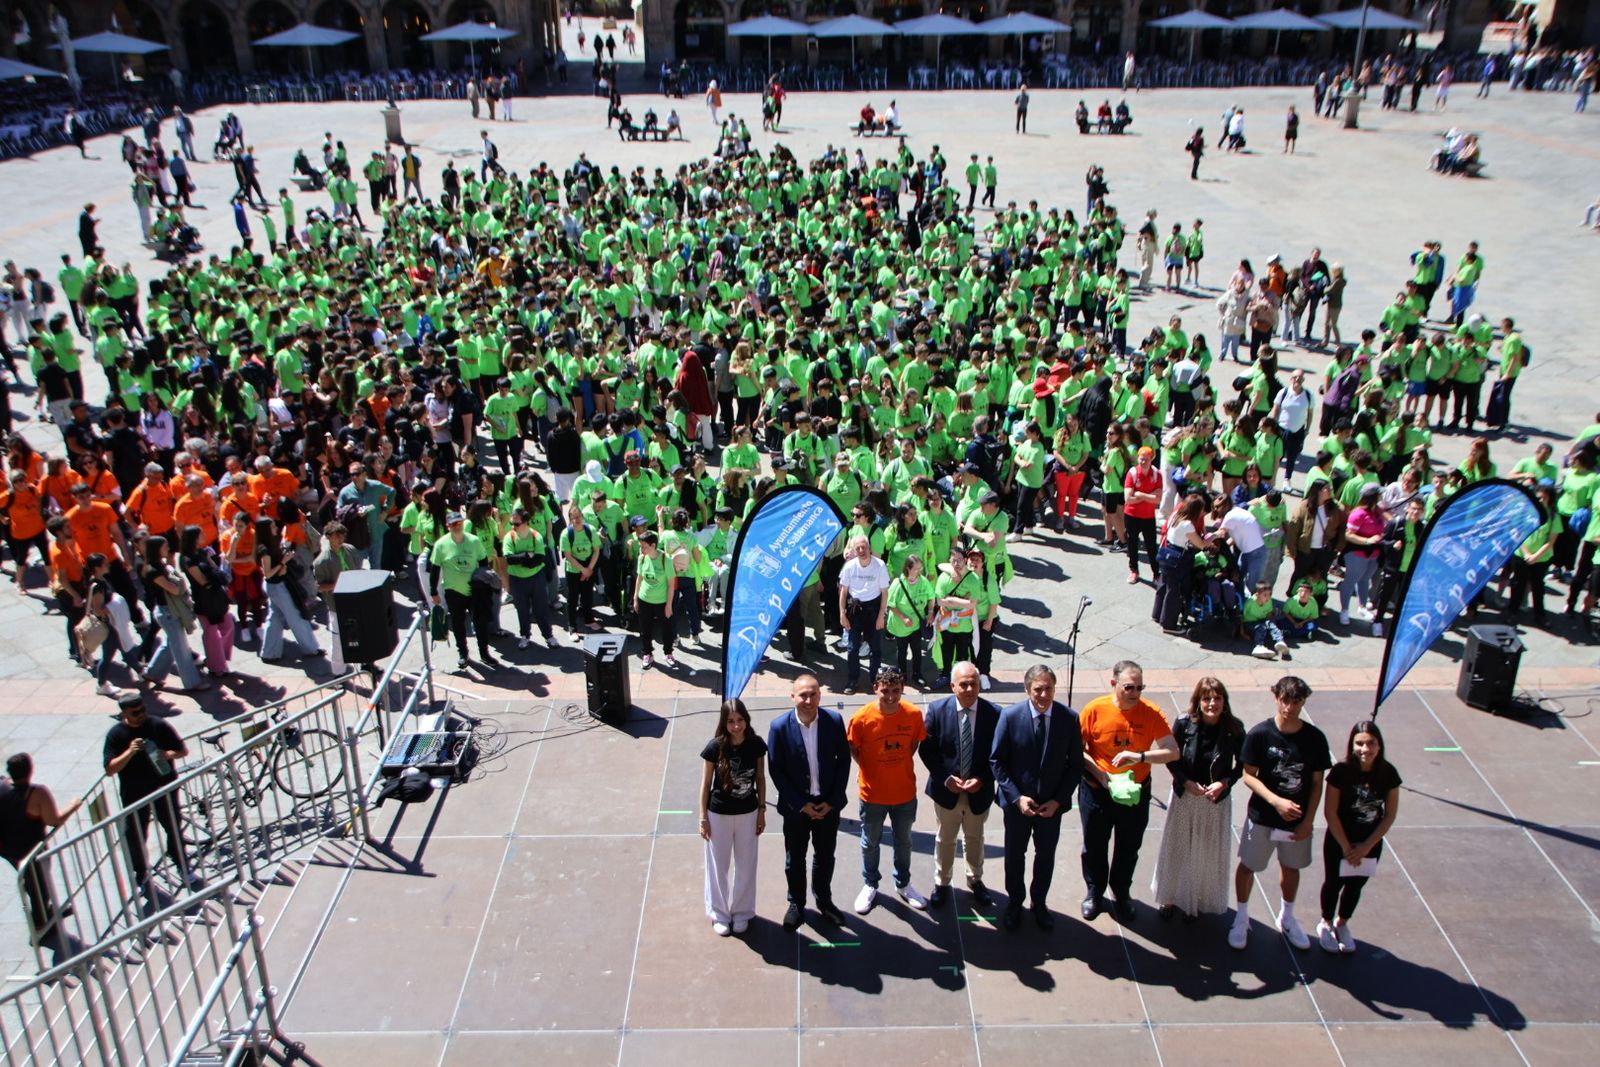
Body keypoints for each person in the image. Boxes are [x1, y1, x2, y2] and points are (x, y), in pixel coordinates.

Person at [1229, 675, 1332, 951]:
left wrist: (1308, 820)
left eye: (1296, 701)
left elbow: (1316, 782)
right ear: (1276, 697)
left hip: (1296, 822)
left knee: (1291, 867)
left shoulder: (1314, 738)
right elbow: (1248, 776)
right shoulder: (1260, 735)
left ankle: (1287, 916)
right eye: (1285, 700)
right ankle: (1241, 917)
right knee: (1248, 866)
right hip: (1262, 817)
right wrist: (1275, 801)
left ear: (1303, 701)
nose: (1290, 707)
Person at [1076, 660, 1178, 923]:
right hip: (1097, 790)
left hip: (1135, 793)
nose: (1135, 694)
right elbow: (1077, 749)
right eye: (1129, 687)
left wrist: (1140, 756)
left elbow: (1172, 750)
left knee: (1129, 846)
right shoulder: (1094, 710)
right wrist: (1100, 773)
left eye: (1139, 688)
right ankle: (1095, 890)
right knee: (1094, 845)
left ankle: (1121, 892)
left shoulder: (1151, 713)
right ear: (1113, 684)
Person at [990, 663, 1083, 930]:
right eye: (1038, 689)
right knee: (1014, 856)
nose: (1044, 695)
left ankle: (1039, 903)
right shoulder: (1010, 716)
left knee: (1045, 856)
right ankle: (1015, 902)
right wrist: (1016, 798)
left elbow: (1075, 765)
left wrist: (1059, 801)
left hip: (1050, 806)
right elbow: (997, 761)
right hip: (1019, 806)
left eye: (1049, 689)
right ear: (1027, 689)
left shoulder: (1068, 718)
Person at [1151, 678, 1244, 921]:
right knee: (1177, 848)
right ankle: (1169, 897)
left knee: (1205, 852)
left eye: (1217, 698)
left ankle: (1195, 899)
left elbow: (1242, 765)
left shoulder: (1234, 729)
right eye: (1206, 698)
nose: (1212, 703)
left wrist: (1224, 783)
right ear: (1198, 701)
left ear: (1224, 702)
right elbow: (1172, 758)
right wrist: (1185, 782)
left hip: (1215, 800)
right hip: (1186, 795)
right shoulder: (1184, 724)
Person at [768, 673, 851, 930]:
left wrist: (833, 801)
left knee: (825, 857)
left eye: (813, 694)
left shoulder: (833, 721)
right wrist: (800, 804)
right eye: (803, 694)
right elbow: (776, 770)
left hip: (827, 805)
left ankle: (824, 902)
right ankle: (796, 903)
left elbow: (843, 762)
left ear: (820, 696)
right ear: (793, 696)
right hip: (796, 809)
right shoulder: (779, 727)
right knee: (795, 859)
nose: (808, 699)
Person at [847, 666, 929, 915]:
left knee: (904, 841)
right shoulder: (861, 718)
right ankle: (870, 883)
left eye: (896, 691)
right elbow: (855, 749)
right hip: (872, 795)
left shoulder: (913, 715)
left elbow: (913, 744)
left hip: (904, 793)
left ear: (903, 688)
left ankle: (903, 883)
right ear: (875, 689)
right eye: (886, 691)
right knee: (870, 842)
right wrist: (871, 769)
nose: (891, 696)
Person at [918, 662, 1000, 909]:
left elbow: (999, 754)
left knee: (975, 837)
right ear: (952, 686)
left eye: (973, 683)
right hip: (947, 791)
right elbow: (928, 751)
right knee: (946, 838)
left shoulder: (994, 713)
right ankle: (942, 882)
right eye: (963, 684)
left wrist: (983, 779)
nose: (969, 688)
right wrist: (945, 779)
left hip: (978, 791)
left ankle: (975, 879)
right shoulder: (937, 710)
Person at [1318, 720, 1401, 954]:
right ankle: (1325, 921)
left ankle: (1342, 923)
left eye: (1371, 744)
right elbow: (1330, 812)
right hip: (1339, 841)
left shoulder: (1388, 774)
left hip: (1369, 843)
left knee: (1355, 886)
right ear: (1352, 745)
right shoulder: (1340, 772)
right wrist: (1346, 846)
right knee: (1333, 883)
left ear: (1379, 746)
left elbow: (1389, 815)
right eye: (1360, 743)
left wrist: (1365, 847)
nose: (1365, 749)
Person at [102, 692, 198, 892]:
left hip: (164, 788)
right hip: (135, 794)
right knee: (135, 835)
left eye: (143, 709)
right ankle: (142, 873)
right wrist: (129, 752)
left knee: (173, 827)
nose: (141, 714)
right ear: (124, 713)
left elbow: (181, 750)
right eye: (135, 712)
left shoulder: (158, 725)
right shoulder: (116, 735)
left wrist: (167, 754)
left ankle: (181, 862)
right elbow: (110, 769)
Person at [699, 698, 767, 937]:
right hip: (718, 814)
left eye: (740, 720)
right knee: (718, 866)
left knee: (746, 864)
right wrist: (703, 817)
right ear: (724, 723)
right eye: (731, 721)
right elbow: (706, 784)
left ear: (746, 720)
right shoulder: (714, 747)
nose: (736, 726)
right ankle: (719, 913)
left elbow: (760, 778)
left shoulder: (757, 744)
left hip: (748, 813)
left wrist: (761, 810)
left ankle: (742, 912)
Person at [0, 753, 82, 942]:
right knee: (39, 885)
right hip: (30, 849)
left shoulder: (2, 785)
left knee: (32, 882)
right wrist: (73, 805)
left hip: (7, 848)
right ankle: (40, 926)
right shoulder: (36, 793)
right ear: (31, 770)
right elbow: (54, 820)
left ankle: (45, 912)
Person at [429, 510, 497, 671]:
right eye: (453, 524)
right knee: (458, 624)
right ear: (448, 526)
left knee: (480, 623)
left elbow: (483, 562)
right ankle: (463, 653)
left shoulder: (474, 541)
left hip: (475, 591)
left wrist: (483, 583)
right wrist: (434, 592)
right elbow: (435, 570)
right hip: (453, 591)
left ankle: (484, 653)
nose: (457, 526)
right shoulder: (441, 545)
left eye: (459, 523)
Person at [838, 533, 890, 695]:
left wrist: (882, 615)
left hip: (874, 609)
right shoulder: (849, 566)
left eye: (864, 547)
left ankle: (875, 680)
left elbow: (884, 592)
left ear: (869, 548)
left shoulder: (880, 565)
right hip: (855, 609)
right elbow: (843, 591)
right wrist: (842, 613)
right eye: (858, 548)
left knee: (876, 649)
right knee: (852, 648)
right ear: (854, 549)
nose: (861, 550)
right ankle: (853, 679)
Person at [633, 529, 676, 669]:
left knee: (666, 628)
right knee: (645, 629)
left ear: (653, 545)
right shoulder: (642, 558)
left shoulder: (666, 560)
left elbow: (671, 585)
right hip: (644, 599)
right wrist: (635, 598)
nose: (641, 549)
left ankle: (668, 653)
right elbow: (639, 579)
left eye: (644, 546)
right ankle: (647, 653)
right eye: (640, 546)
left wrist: (669, 605)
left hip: (661, 601)